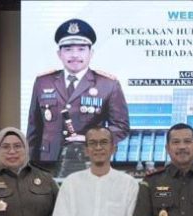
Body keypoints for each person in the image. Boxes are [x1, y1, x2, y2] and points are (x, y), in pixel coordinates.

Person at [27, 18, 129, 177]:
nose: (75, 55)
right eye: (68, 49)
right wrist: (29, 166)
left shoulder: (108, 84)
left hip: (89, 162)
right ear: (59, 53)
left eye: (81, 49)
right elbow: (34, 129)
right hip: (47, 163)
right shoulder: (43, 81)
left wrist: (91, 138)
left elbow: (121, 127)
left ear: (91, 53)